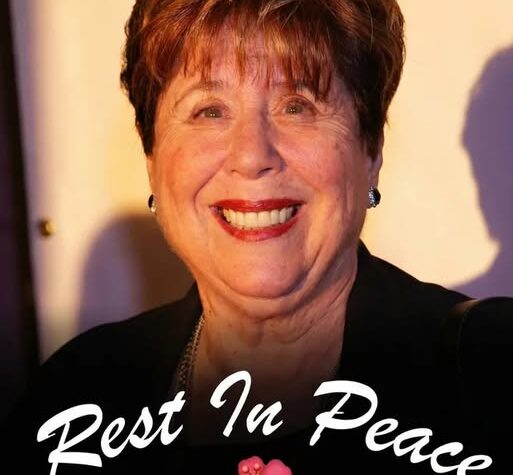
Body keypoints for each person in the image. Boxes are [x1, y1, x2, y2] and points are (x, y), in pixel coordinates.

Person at [3, 1, 512, 474]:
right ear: (152, 157)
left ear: (371, 149)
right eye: (209, 110)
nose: (251, 155)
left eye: (297, 105)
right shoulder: (74, 397)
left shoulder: (489, 374)